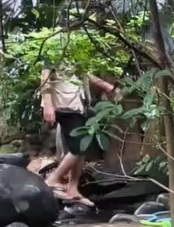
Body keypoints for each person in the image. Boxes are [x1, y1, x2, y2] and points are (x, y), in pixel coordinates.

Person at [39, 62, 116, 205]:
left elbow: (85, 74)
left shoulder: (77, 54)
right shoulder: (53, 52)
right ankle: (53, 179)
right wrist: (48, 106)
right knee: (79, 147)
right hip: (63, 106)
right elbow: (45, 78)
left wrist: (107, 87)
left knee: (82, 149)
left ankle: (72, 189)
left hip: (77, 106)